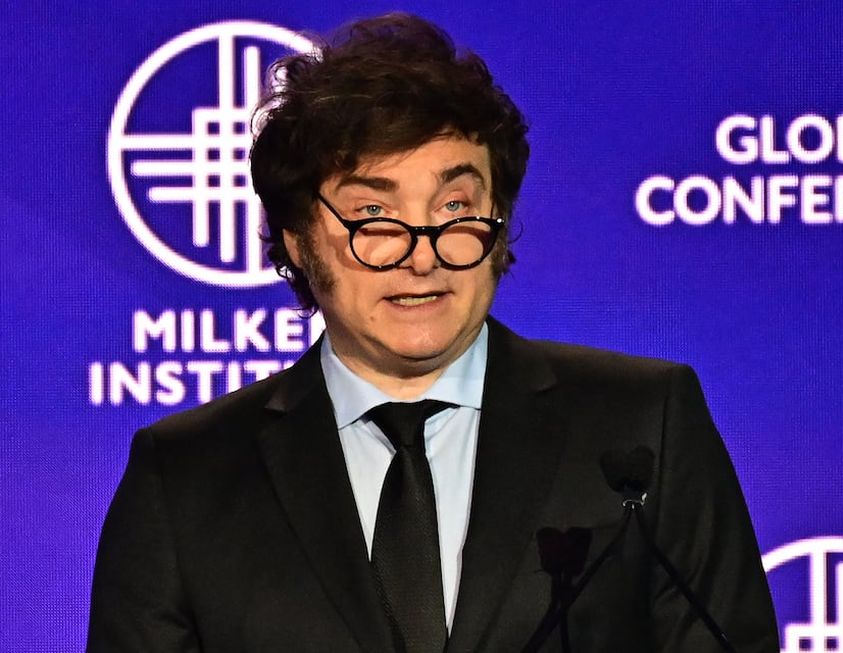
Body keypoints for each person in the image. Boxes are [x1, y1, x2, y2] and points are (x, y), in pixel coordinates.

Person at [88, 12, 779, 653]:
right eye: (374, 216)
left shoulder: (641, 429)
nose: (423, 253)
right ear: (297, 240)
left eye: (454, 207)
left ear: (497, 219)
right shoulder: (186, 479)